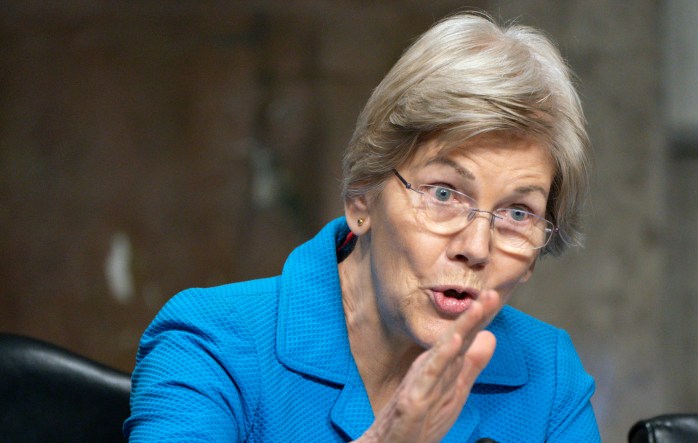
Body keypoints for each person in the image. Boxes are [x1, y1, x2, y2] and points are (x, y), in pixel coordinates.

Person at [124, 11, 600, 442]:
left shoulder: (549, 375)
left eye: (517, 213)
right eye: (443, 193)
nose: (476, 247)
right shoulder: (214, 342)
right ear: (362, 197)